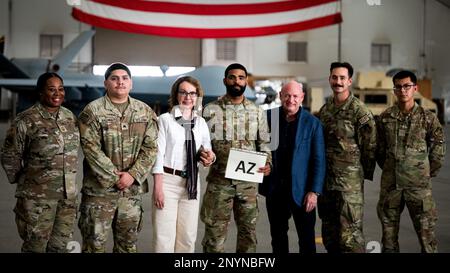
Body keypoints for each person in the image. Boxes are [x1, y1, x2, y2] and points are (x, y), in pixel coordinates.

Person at [77, 63, 158, 253]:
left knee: (127, 247)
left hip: (130, 195)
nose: (120, 82)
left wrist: (132, 175)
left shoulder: (144, 112)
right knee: (93, 246)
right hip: (98, 194)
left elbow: (151, 147)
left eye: (125, 78)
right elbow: (91, 149)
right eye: (114, 78)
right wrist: (115, 178)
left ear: (131, 83)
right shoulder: (92, 112)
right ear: (106, 83)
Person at [1, 72, 79, 252]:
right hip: (36, 200)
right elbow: (9, 155)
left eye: (60, 89)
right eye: (51, 89)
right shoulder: (26, 119)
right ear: (40, 92)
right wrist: (25, 180)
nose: (57, 94)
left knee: (60, 247)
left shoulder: (69, 117)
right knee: (34, 247)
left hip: (66, 200)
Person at [200, 63, 272, 253]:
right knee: (214, 238)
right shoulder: (210, 110)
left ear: (246, 81)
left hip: (247, 185)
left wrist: (268, 163)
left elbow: (264, 143)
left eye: (241, 77)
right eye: (232, 77)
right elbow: (202, 143)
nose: (236, 81)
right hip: (219, 183)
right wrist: (203, 155)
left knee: (248, 236)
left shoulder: (257, 112)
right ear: (225, 80)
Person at [376, 70, 445, 253]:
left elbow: (438, 149)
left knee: (427, 240)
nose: (402, 90)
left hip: (419, 189)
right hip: (391, 188)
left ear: (415, 88)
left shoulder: (427, 118)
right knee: (389, 243)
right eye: (398, 87)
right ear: (394, 90)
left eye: (407, 86)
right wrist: (392, 169)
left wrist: (425, 172)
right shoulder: (385, 118)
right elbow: (379, 151)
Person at [259, 80, 326, 253]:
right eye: (287, 95)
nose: (291, 99)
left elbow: (319, 160)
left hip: (302, 192)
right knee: (278, 238)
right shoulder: (268, 118)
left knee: (306, 240)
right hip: (275, 190)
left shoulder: (312, 123)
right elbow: (258, 147)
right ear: (281, 95)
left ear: (302, 97)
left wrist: (314, 191)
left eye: (295, 96)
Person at [318, 62, 377, 253]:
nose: (338, 81)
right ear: (329, 79)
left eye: (342, 78)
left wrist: (359, 174)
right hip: (327, 185)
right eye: (334, 77)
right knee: (330, 235)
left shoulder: (360, 111)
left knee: (350, 238)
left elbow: (370, 148)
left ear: (349, 81)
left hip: (348, 187)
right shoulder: (325, 110)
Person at [152, 76, 215, 253]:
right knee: (164, 239)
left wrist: (210, 157)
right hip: (168, 182)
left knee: (187, 238)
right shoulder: (164, 120)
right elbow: (158, 155)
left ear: (197, 96)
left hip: (192, 183)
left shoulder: (201, 123)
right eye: (183, 92)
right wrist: (158, 188)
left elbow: (207, 149)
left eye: (192, 93)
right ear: (176, 94)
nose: (188, 97)